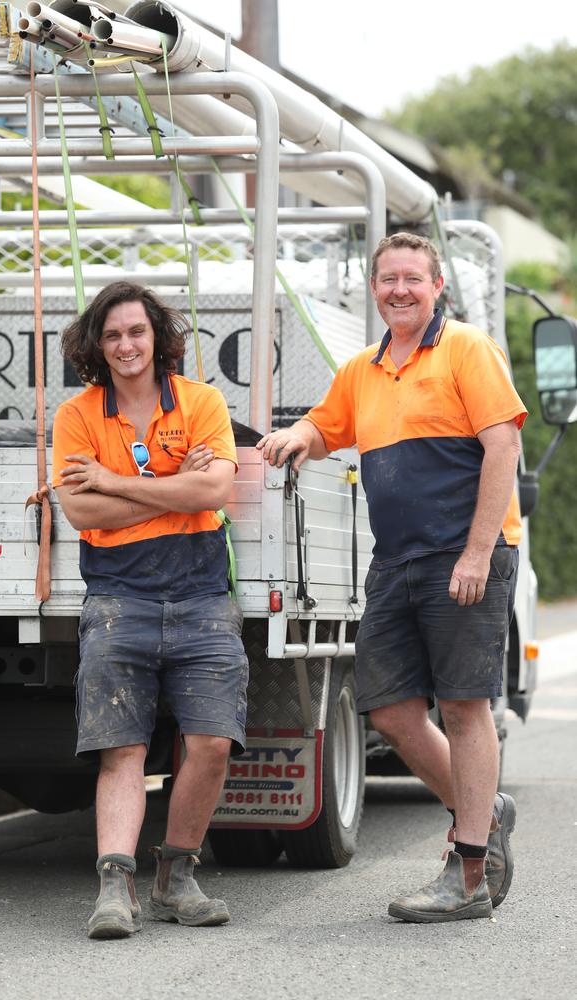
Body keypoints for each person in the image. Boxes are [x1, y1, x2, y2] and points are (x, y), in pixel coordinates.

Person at [257, 232, 526, 923]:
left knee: (463, 707)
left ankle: (468, 871)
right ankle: (483, 809)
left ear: (438, 286)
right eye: (387, 279)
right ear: (374, 289)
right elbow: (328, 426)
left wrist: (474, 554)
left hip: (461, 557)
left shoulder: (467, 348)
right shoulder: (364, 369)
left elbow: (503, 445)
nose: (399, 289)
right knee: (391, 711)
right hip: (396, 562)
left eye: (413, 278)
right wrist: (297, 439)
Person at [52, 281, 248, 939]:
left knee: (214, 743)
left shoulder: (202, 402)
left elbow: (219, 486)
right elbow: (80, 510)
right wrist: (173, 490)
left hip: (202, 595)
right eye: (112, 336)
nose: (126, 345)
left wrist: (116, 481)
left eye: (136, 331)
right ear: (96, 347)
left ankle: (176, 877)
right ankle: (115, 886)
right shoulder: (77, 416)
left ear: (157, 338)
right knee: (121, 746)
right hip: (117, 598)